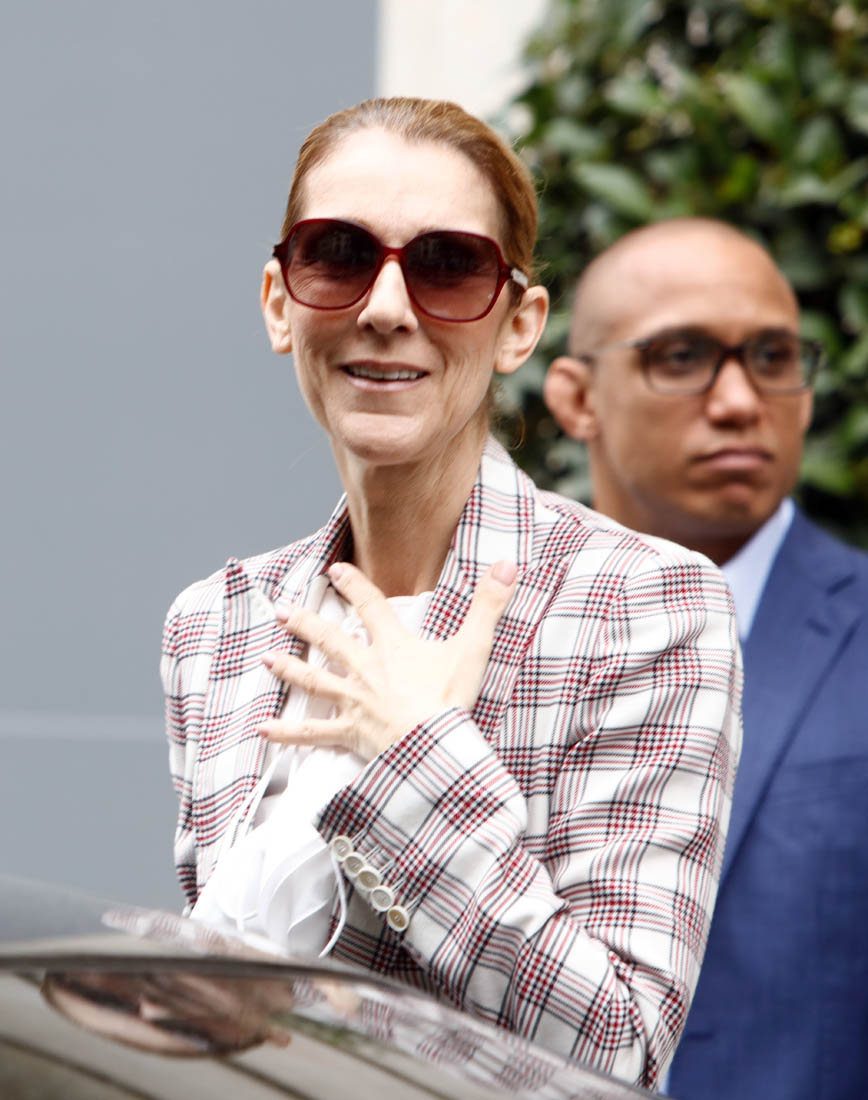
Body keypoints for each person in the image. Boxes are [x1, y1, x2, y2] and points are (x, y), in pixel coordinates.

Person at [161, 101, 741, 1090]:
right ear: (279, 302)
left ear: (518, 326)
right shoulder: (218, 622)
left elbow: (619, 1048)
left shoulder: (645, 605)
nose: (387, 306)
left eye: (447, 267)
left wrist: (413, 757)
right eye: (338, 254)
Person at [544, 216, 868, 1100]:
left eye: (772, 357)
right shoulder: (487, 644)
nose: (737, 401)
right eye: (681, 356)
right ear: (576, 398)